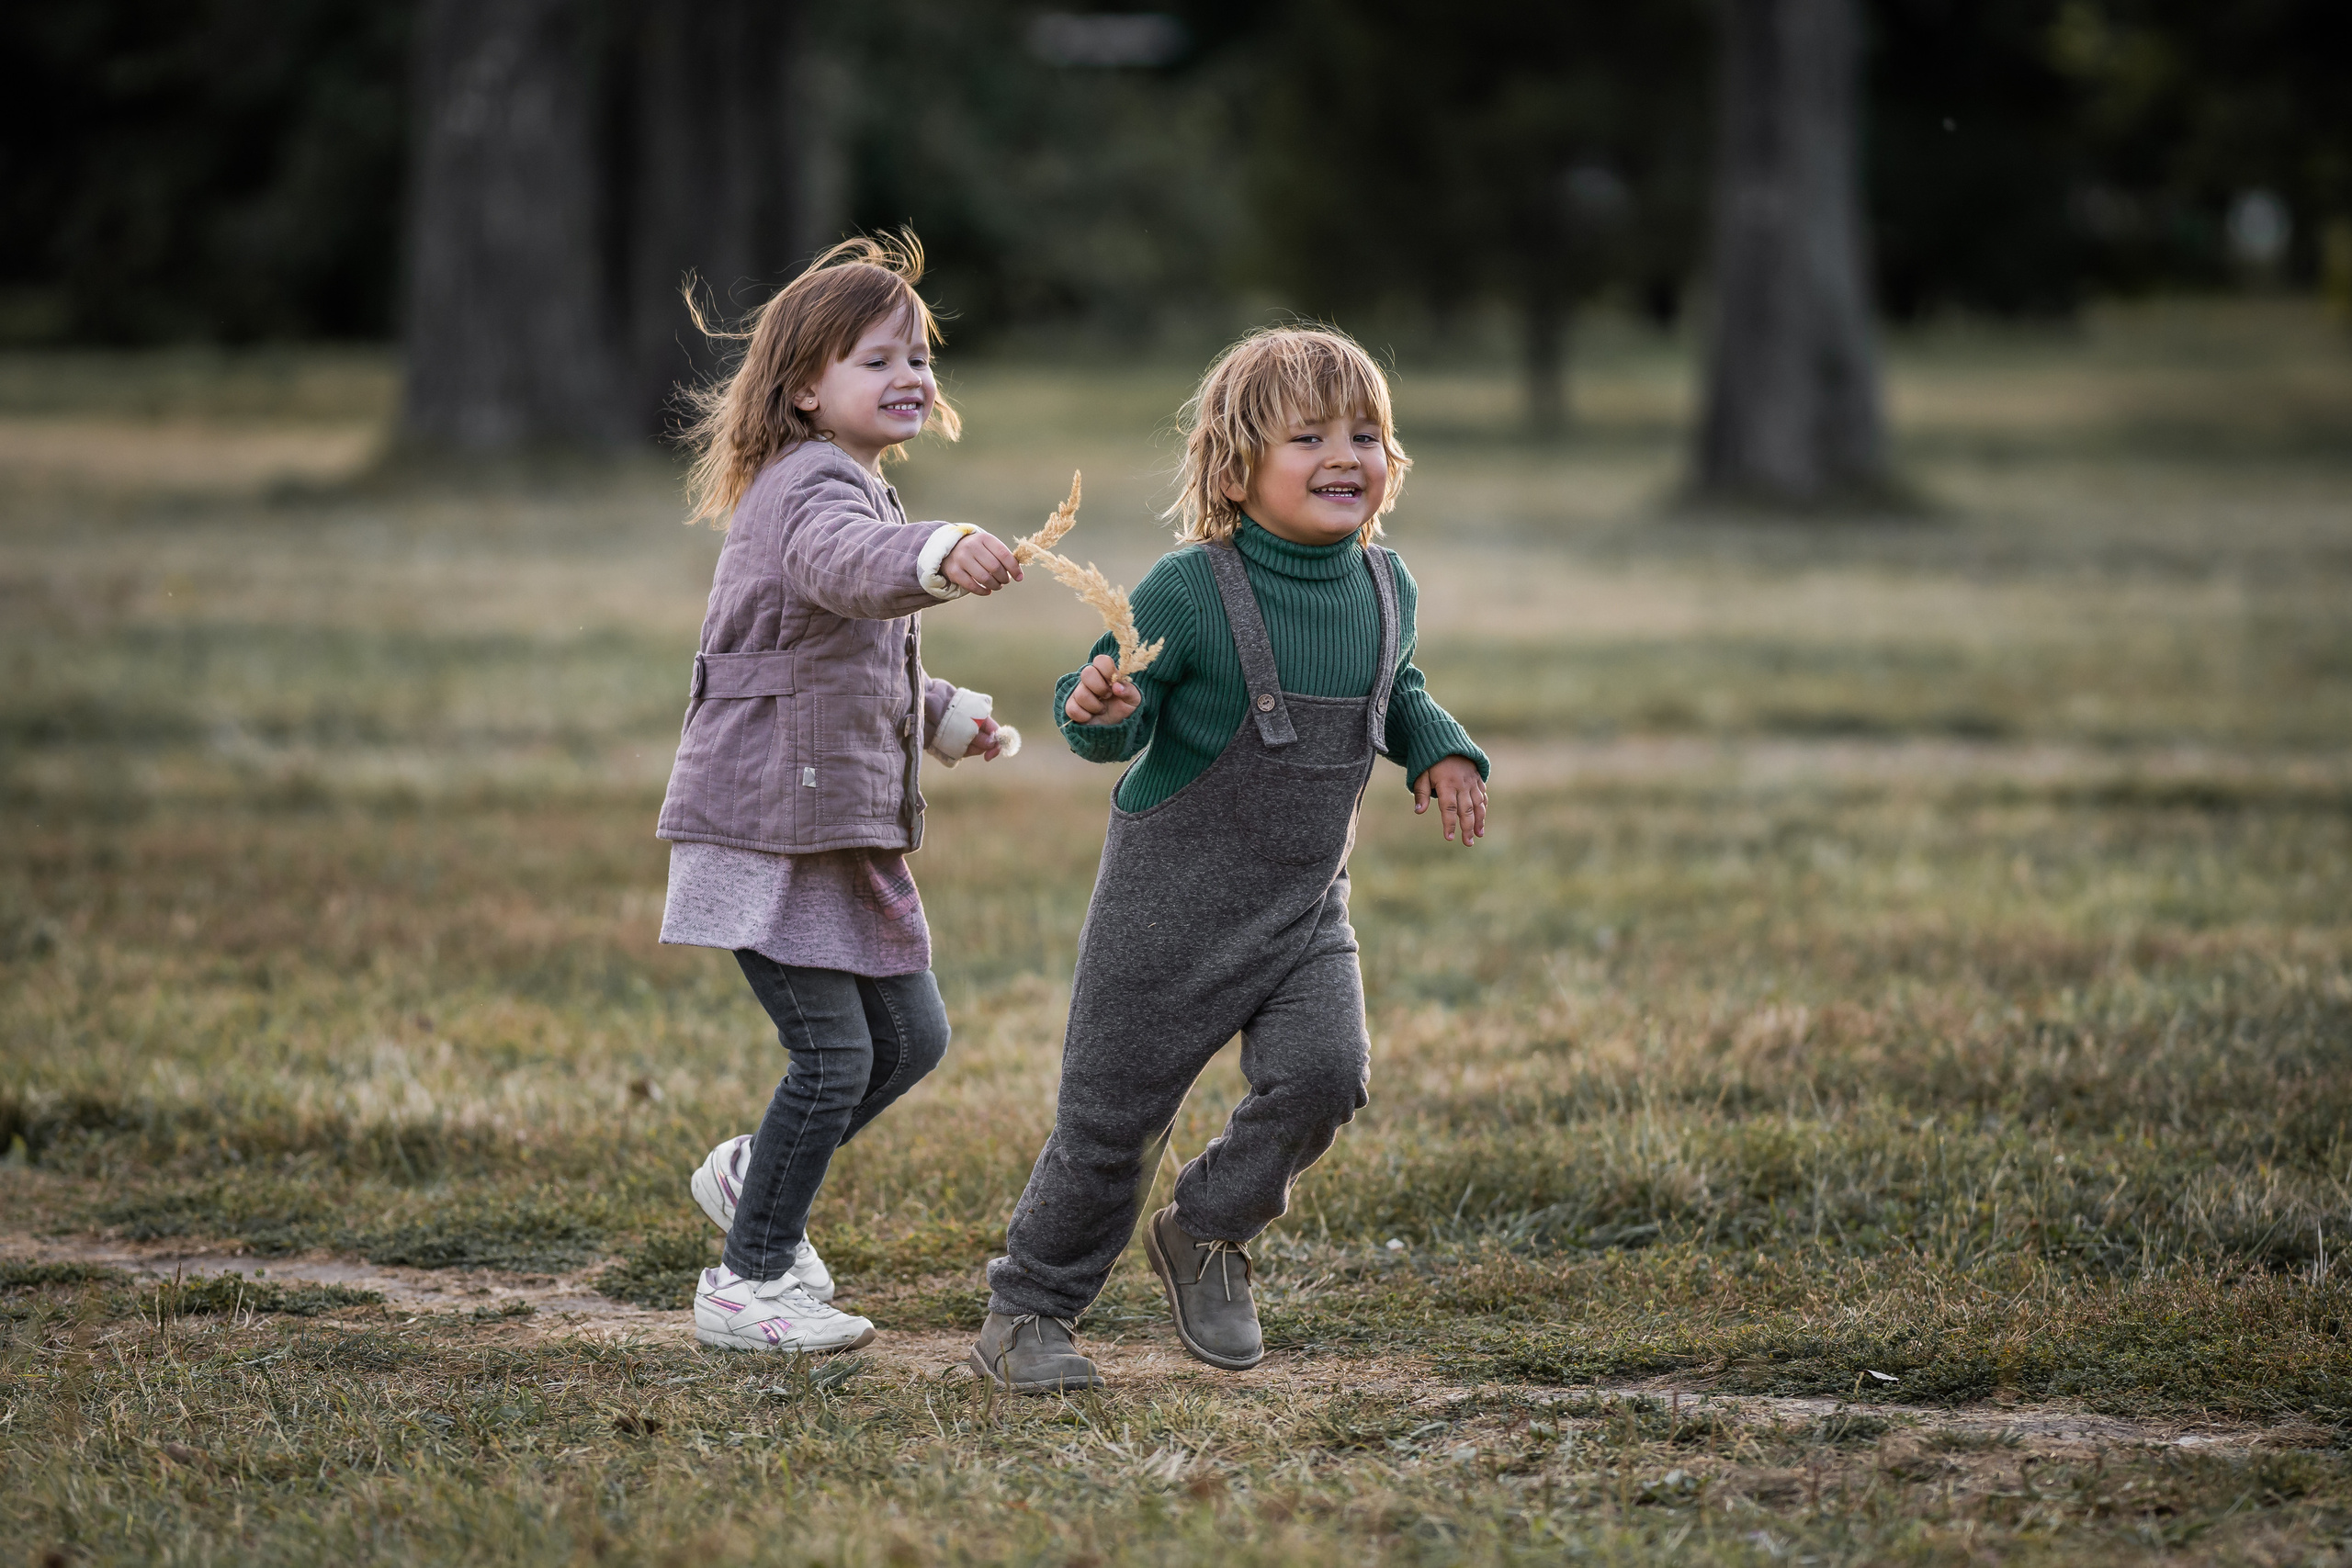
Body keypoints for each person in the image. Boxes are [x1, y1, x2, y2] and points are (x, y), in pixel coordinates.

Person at [970, 327, 1490, 1392]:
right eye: (1310, 436)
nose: (1345, 454)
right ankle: (1028, 1309)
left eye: (1366, 433)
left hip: (1304, 910)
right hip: (1167, 913)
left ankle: (1205, 1228)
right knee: (1110, 1128)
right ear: (1235, 467)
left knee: (1325, 1076)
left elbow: (1400, 688)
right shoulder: (1187, 589)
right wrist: (1099, 705)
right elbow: (1113, 717)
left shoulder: (1388, 586)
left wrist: (1438, 749)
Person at [656, 232, 1025, 1353]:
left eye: (918, 356)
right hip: (769, 826)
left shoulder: (853, 481)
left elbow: (845, 654)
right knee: (836, 1057)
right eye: (877, 359)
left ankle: (752, 1176)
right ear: (806, 388)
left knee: (911, 1038)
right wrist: (938, 551)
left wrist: (941, 712)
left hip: (828, 821)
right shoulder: (809, 485)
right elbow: (845, 572)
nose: (910, 375)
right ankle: (746, 1279)